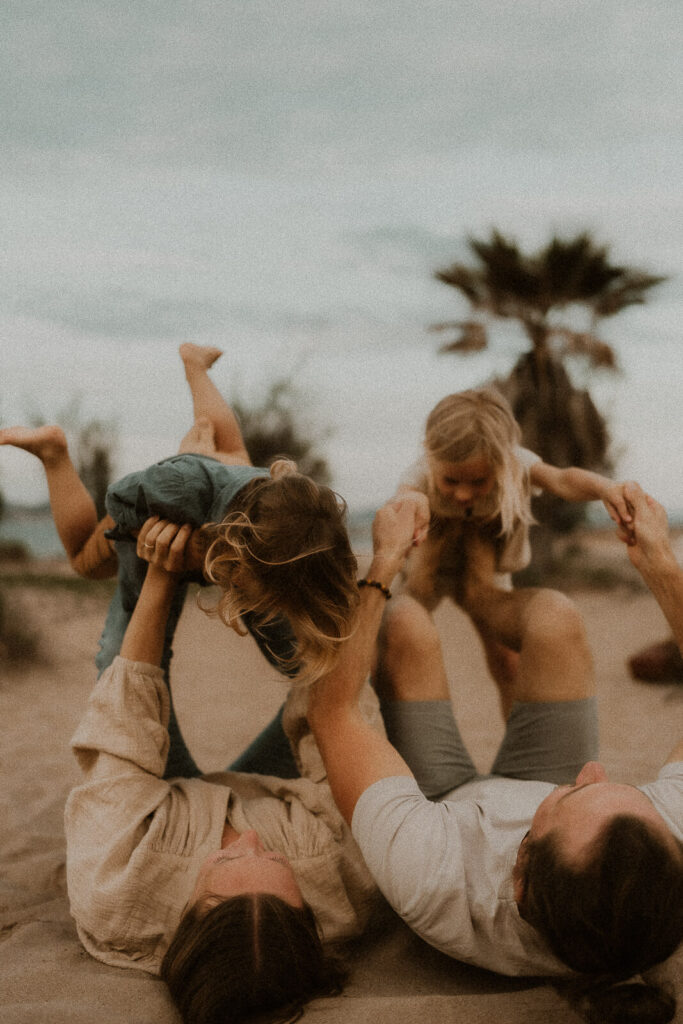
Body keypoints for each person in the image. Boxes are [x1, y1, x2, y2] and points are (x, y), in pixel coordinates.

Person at [307, 484, 683, 1024]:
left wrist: (386, 556)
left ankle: (431, 586)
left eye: (574, 794)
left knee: (407, 623)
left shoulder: (436, 877)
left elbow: (333, 712)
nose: (591, 769)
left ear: (519, 877)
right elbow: (595, 799)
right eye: (611, 787)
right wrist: (660, 563)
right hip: (535, 786)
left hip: (447, 802)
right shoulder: (659, 864)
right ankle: (479, 593)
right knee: (554, 615)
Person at [64, 514, 386, 1024]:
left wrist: (163, 571)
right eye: (277, 863)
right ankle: (258, 546)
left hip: (153, 792)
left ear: (187, 917)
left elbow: (122, 731)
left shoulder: (117, 889)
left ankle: (170, 531)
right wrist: (312, 605)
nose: (253, 842)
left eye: (225, 863)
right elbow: (341, 733)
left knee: (117, 657)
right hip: (276, 788)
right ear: (308, 915)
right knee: (315, 637)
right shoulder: (344, 890)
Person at [0, 343, 358, 775]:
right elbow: (120, 497)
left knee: (232, 455)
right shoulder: (176, 486)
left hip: (225, 510)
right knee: (89, 576)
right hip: (154, 522)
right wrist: (179, 530)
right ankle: (53, 452)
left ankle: (194, 368)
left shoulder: (283, 514)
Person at [394, 386, 637, 713]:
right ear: (430, 453)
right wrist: (410, 506)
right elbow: (405, 499)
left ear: (505, 457)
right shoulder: (423, 469)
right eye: (451, 481)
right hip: (429, 566)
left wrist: (607, 488)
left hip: (486, 571)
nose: (464, 495)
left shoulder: (516, 461)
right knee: (396, 644)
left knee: (508, 663)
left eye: (479, 482)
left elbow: (562, 479)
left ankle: (517, 749)